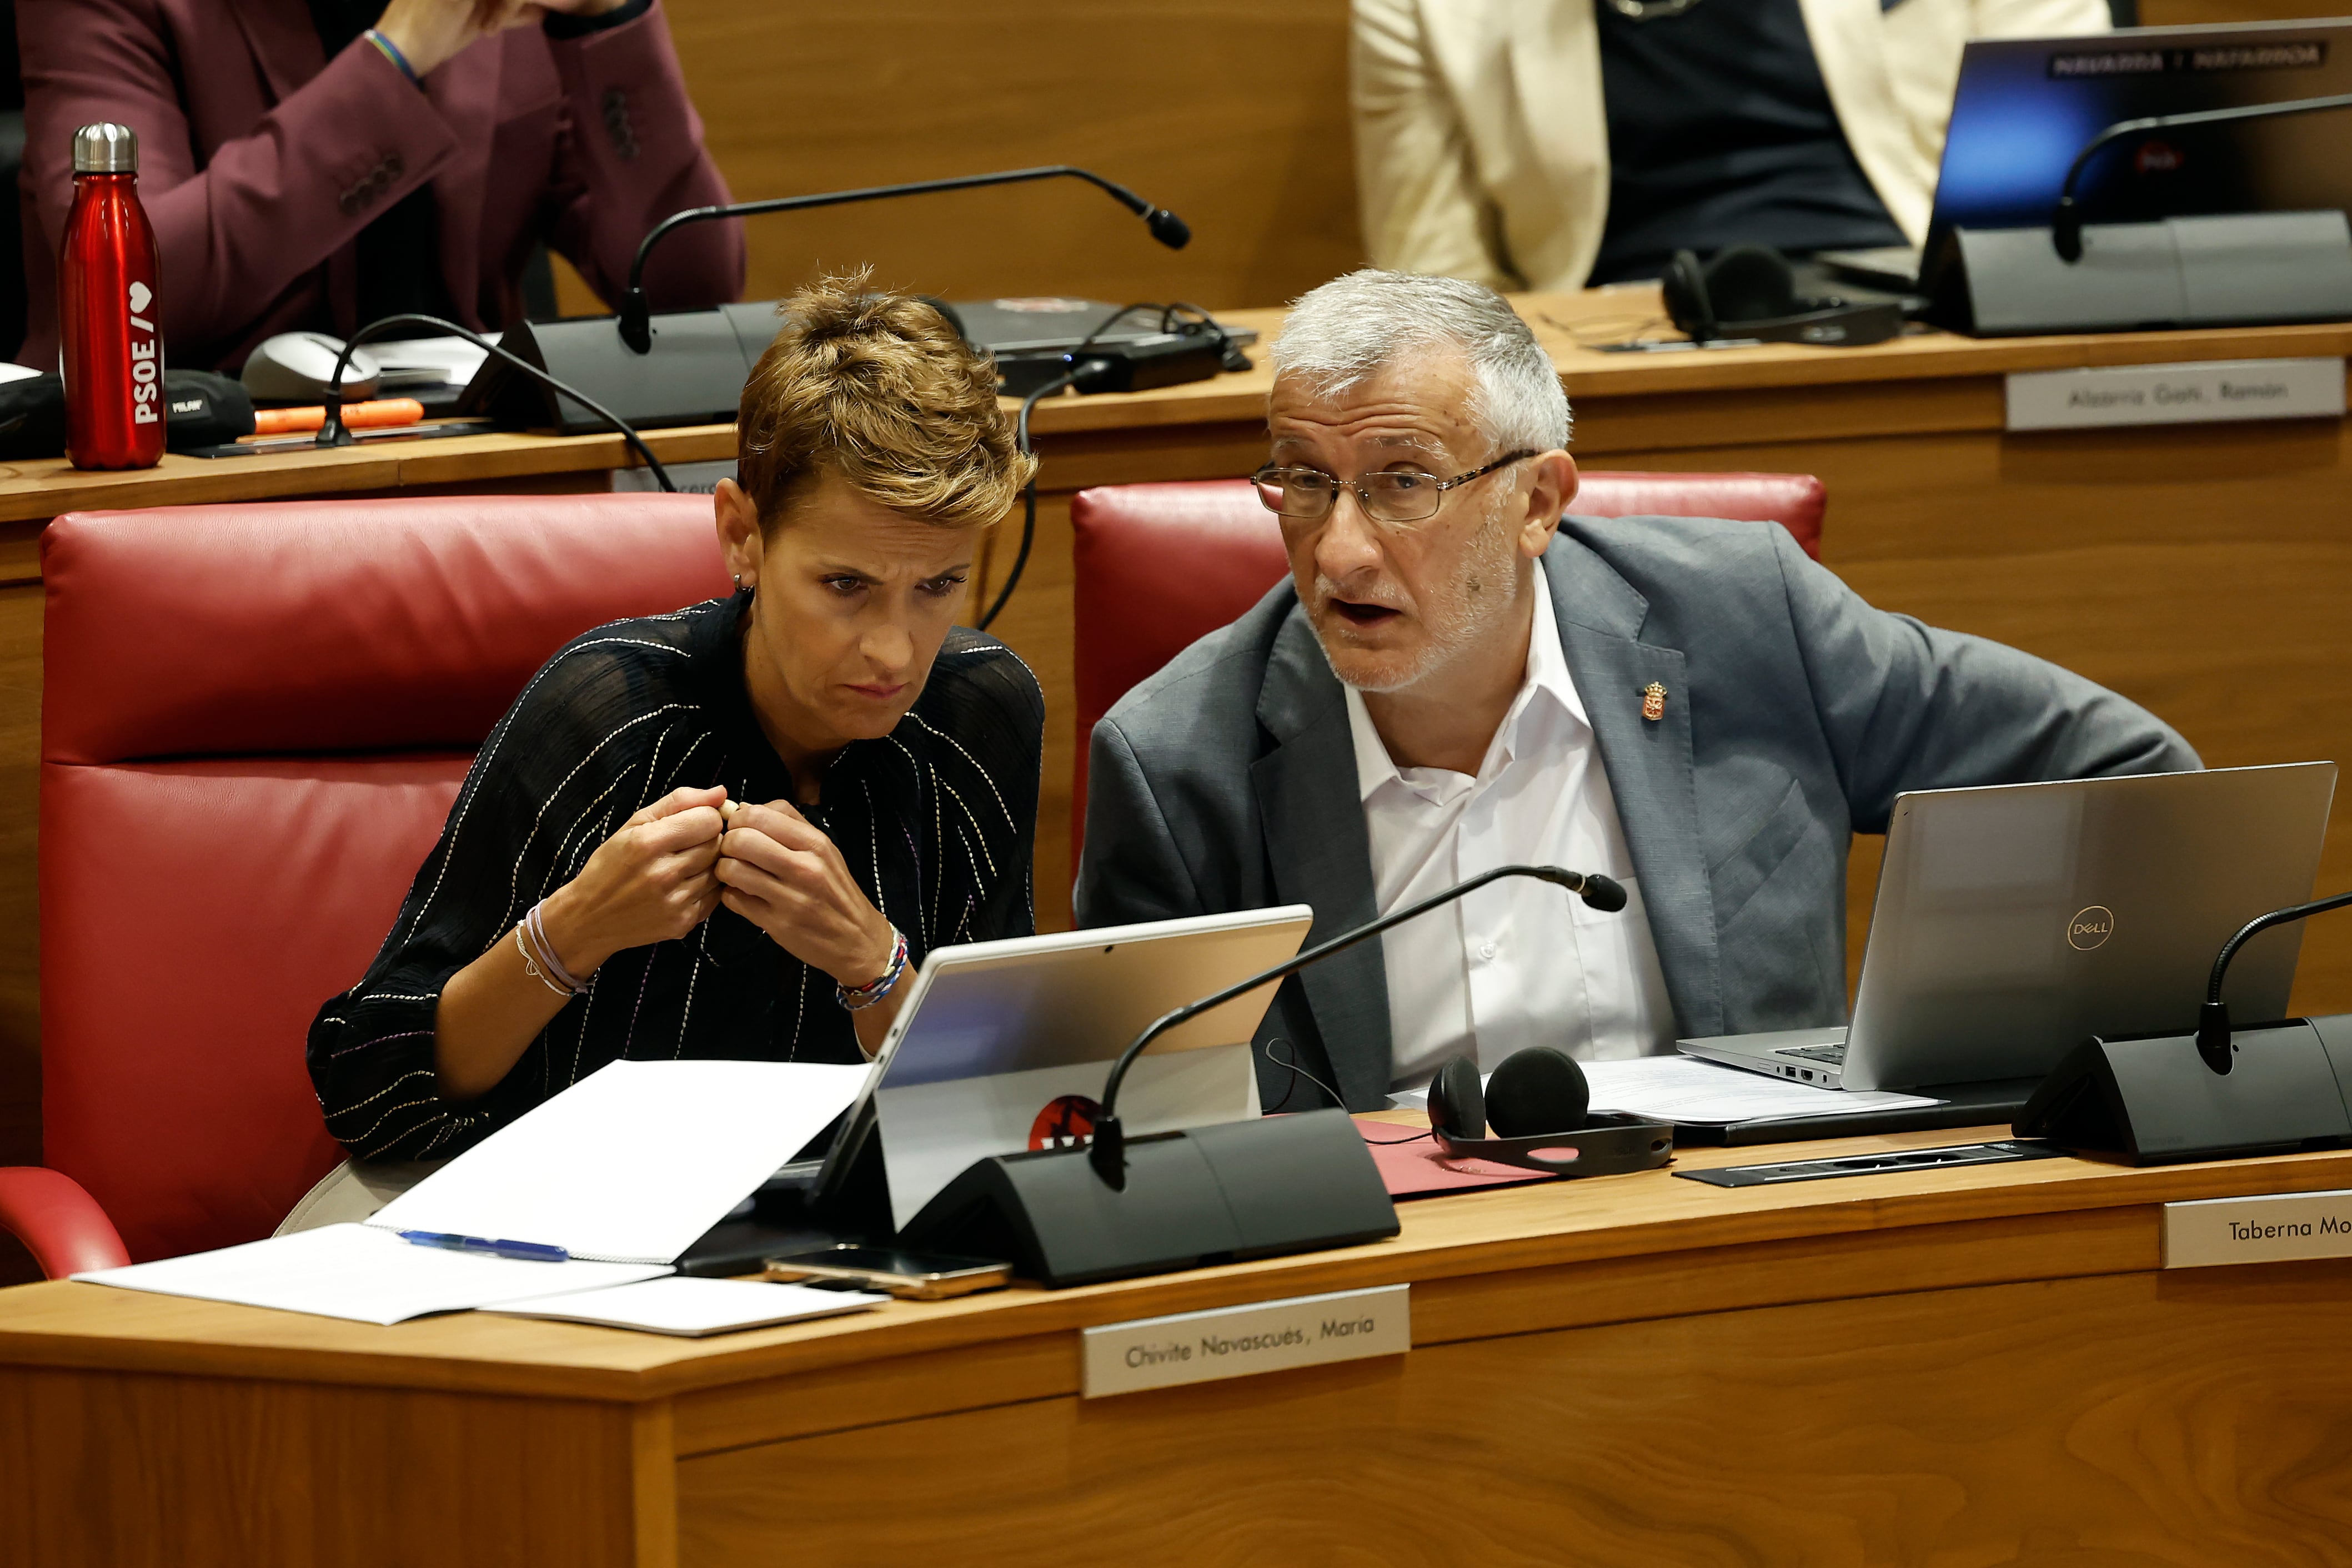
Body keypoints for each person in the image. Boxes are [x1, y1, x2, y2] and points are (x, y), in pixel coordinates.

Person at [1074, 269, 2195, 1113]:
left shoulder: (1752, 623)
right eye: (1306, 483)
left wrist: (1935, 1055)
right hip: (1402, 1290)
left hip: (1751, 1244)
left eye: (1402, 482)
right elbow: (1155, 1137)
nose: (1340, 551)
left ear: (1538, 502)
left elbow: (2132, 779)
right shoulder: (1182, 765)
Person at [302, 277, 1039, 1192]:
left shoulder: (981, 717)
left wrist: (877, 967)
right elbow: (367, 1092)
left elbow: (1014, 1107)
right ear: (743, 537)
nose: (894, 650)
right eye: (845, 585)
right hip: (537, 1221)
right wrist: (570, 935)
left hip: (824, 1244)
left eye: (936, 588)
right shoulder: (612, 711)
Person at [15, 0, 744, 372]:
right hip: (189, 489)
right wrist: (397, 57)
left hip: (472, 475)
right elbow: (130, 292)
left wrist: (609, 18)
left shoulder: (513, 14)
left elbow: (691, 283)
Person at [1351, 0, 2110, 289]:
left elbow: (2064, 193)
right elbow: (1435, 291)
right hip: (1618, 350)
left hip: (1913, 309)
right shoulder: (1427, 10)